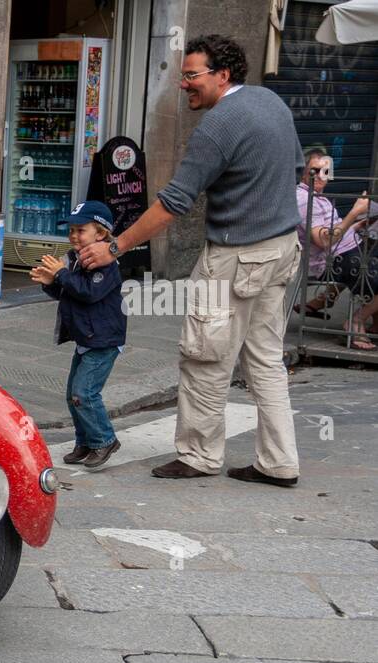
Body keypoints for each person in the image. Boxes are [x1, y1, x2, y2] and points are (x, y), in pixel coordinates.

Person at [79, 35, 304, 488]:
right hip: (283, 250)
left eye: (192, 75)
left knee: (205, 356)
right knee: (265, 359)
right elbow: (296, 168)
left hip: (236, 257)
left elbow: (171, 205)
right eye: (183, 76)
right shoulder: (270, 102)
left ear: (223, 75)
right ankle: (279, 461)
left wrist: (115, 247)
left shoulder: (218, 127)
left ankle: (199, 455)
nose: (184, 85)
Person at [31, 201, 128, 469]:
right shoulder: (74, 260)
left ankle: (104, 440)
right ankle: (84, 441)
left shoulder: (106, 264)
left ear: (101, 234)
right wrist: (50, 283)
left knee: (83, 393)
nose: (74, 236)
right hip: (87, 337)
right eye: (71, 230)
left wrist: (60, 274)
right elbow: (69, 293)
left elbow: (89, 292)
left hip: (103, 338)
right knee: (73, 395)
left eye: (80, 230)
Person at [295, 149, 375, 350]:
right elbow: (324, 241)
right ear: (303, 172)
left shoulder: (316, 196)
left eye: (326, 171)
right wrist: (354, 212)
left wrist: (357, 224)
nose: (322, 177)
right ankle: (356, 321)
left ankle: (324, 301)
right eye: (316, 171)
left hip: (345, 252)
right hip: (332, 262)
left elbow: (333, 229)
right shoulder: (305, 200)